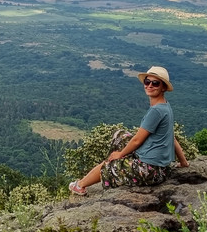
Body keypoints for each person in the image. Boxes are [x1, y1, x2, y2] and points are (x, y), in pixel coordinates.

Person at [69, 66, 188, 196]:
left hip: (151, 171)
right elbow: (171, 136)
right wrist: (183, 162)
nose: (149, 85)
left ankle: (80, 185)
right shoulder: (165, 105)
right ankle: (116, 162)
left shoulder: (156, 111)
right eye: (147, 82)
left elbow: (137, 140)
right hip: (160, 168)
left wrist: (120, 154)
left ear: (163, 87)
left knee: (107, 166)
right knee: (119, 135)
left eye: (155, 83)